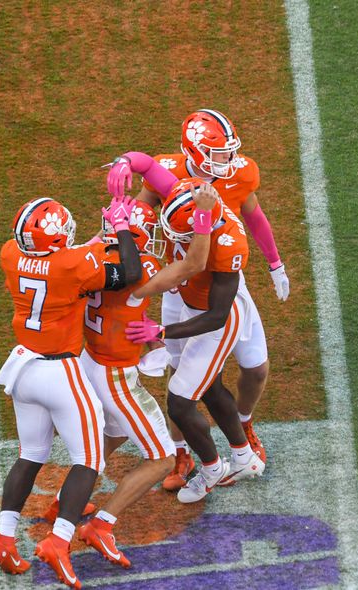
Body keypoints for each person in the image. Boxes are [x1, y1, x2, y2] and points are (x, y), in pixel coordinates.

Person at [110, 109, 284, 490]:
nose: (229, 160)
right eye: (220, 153)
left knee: (254, 368)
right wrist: (126, 202)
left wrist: (274, 262)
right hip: (181, 285)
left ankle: (241, 431)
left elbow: (199, 260)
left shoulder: (228, 226)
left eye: (228, 152)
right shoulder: (171, 175)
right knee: (184, 378)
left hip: (218, 282)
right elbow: (144, 200)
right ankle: (183, 449)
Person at [0, 195, 141, 588]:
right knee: (90, 460)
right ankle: (59, 541)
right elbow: (130, 271)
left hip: (23, 365)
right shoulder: (71, 264)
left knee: (31, 454)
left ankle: (4, 538)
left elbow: (66, 258)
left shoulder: (10, 253)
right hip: (59, 371)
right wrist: (121, 228)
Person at [74, 191, 217, 567]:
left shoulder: (88, 259)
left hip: (90, 359)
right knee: (161, 458)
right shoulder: (141, 272)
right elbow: (194, 263)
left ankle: (66, 501)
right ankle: (102, 525)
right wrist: (202, 215)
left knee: (116, 431)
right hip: (114, 373)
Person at [125, 177, 267, 503]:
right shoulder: (191, 198)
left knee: (179, 400)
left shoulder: (229, 243)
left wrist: (162, 333)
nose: (172, 240)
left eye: (180, 234)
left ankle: (212, 467)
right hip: (191, 304)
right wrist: (129, 162)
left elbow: (217, 315)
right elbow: (154, 172)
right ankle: (243, 457)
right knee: (210, 385)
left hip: (219, 319)